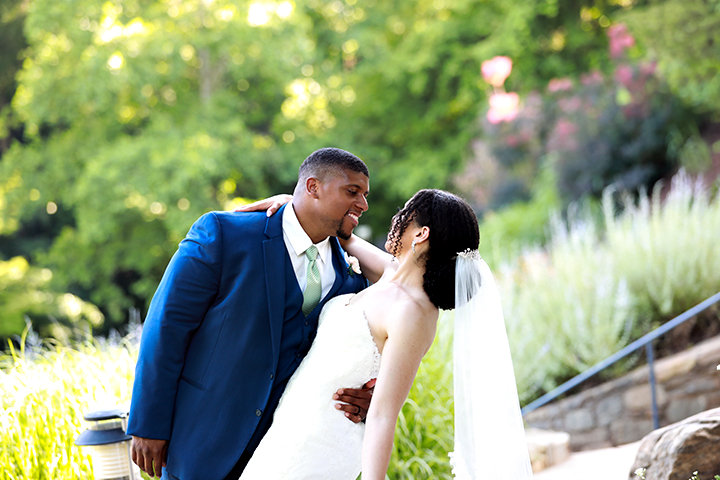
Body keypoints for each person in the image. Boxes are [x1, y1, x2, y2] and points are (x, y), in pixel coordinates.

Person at [236, 189, 533, 479]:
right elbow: (345, 237)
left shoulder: (414, 312)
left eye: (405, 214)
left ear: (421, 234)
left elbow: (383, 414)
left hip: (323, 444)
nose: (396, 220)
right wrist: (294, 203)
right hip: (288, 430)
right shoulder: (391, 273)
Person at [127, 148, 376, 480]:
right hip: (204, 441)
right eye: (352, 192)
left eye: (364, 195)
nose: (363, 204)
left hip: (286, 454)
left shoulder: (352, 277)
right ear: (313, 187)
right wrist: (148, 424)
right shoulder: (224, 235)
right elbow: (166, 328)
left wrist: (368, 396)